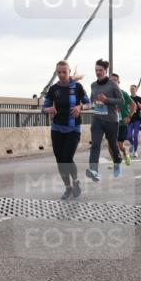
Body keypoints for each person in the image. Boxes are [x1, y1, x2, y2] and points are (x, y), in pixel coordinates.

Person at [42, 60, 90, 200]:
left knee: (67, 158)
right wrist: (48, 109)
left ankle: (75, 181)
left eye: (64, 72)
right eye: (59, 72)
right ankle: (68, 188)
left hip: (73, 128)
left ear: (69, 72)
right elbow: (43, 108)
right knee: (59, 159)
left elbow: (89, 103)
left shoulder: (77, 87)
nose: (62, 75)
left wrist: (80, 107)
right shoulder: (53, 89)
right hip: (57, 128)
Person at [86, 59, 125, 181]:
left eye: (100, 70)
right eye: (96, 70)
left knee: (113, 144)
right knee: (95, 145)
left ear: (106, 71)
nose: (98, 72)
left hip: (111, 121)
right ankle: (94, 170)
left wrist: (107, 100)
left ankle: (117, 161)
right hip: (97, 119)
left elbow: (121, 101)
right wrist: (84, 105)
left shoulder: (113, 85)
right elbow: (92, 100)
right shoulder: (93, 85)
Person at [111, 73, 136, 167]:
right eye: (111, 80)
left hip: (122, 123)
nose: (113, 82)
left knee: (120, 145)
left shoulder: (123, 93)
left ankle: (126, 154)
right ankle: (115, 163)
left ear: (118, 82)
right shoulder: (107, 94)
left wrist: (129, 116)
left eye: (115, 80)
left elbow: (134, 105)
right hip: (111, 123)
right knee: (111, 144)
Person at [126, 85, 141, 158]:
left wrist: (140, 106)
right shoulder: (128, 98)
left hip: (137, 120)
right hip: (130, 119)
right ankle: (132, 144)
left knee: (135, 136)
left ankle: (135, 151)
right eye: (131, 89)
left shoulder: (139, 98)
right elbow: (125, 107)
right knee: (128, 136)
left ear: (136, 90)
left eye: (133, 89)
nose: (132, 90)